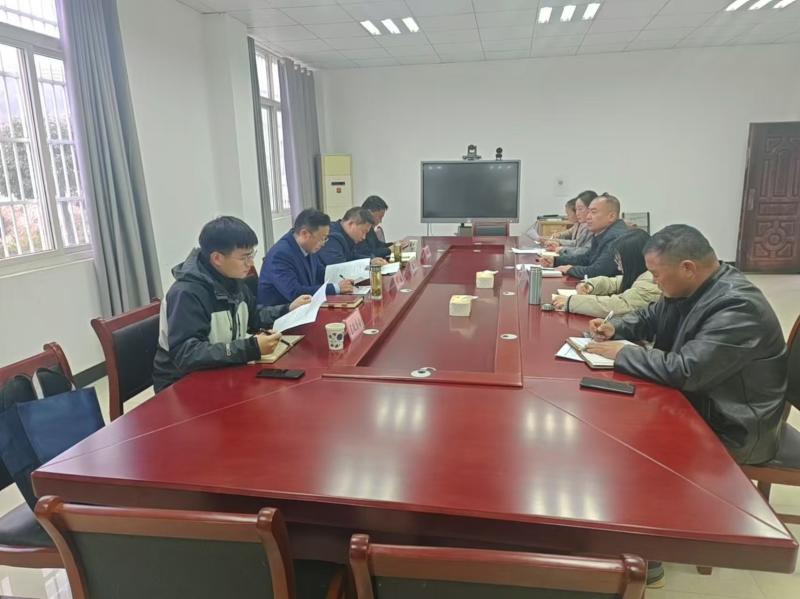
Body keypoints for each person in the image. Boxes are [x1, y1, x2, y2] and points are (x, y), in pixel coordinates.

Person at [586, 224, 787, 465]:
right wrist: (616, 327)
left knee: (622, 449)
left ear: (688, 268)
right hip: (697, 403)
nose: (655, 282)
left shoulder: (738, 306)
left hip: (731, 428)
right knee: (610, 423)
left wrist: (624, 353)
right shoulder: (689, 288)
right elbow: (650, 316)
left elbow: (688, 371)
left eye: (656, 274)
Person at [153, 216, 312, 391]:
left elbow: (254, 317)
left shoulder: (233, 282)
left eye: (251, 255)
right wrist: (250, 348)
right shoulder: (186, 293)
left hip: (220, 371)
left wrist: (288, 309)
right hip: (182, 385)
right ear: (217, 258)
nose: (250, 263)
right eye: (244, 257)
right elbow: (187, 354)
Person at [552, 228, 661, 317]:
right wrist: (590, 285)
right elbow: (616, 282)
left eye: (619, 260)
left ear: (632, 260)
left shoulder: (651, 281)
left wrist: (571, 302)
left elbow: (619, 305)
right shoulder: (643, 274)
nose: (618, 267)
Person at [258, 209, 354, 307]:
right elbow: (295, 292)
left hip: (306, 307)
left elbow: (320, 272)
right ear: (304, 234)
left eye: (325, 238)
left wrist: (344, 278)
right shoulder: (280, 255)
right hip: (283, 311)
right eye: (322, 238)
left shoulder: (308, 246)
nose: (323, 243)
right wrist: (335, 288)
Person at [541, 193, 627, 278]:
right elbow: (586, 258)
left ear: (611, 216)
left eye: (593, 212)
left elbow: (598, 271)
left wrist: (570, 269)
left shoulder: (615, 237)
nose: (588, 217)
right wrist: (555, 261)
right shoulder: (602, 232)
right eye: (588, 212)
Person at [317, 207, 384, 266]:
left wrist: (370, 261)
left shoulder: (347, 237)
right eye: (363, 232)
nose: (364, 237)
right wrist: (368, 263)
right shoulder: (332, 236)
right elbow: (338, 267)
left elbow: (352, 256)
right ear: (351, 224)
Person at [548, 190, 597, 254]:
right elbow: (578, 244)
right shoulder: (584, 225)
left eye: (580, 209)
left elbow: (585, 252)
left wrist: (562, 249)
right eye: (576, 210)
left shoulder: (591, 228)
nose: (577, 213)